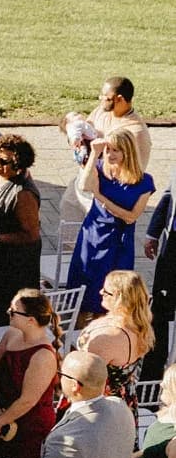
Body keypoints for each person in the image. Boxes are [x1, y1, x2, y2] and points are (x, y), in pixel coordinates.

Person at [67, 131, 155, 322]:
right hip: (92, 236)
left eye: (116, 150)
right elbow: (83, 185)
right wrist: (94, 153)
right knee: (82, 292)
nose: (111, 154)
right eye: (108, 150)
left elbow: (131, 217)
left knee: (112, 295)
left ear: (128, 152)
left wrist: (100, 197)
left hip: (119, 241)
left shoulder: (144, 181)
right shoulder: (99, 167)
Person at [0, 290, 61, 458]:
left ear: (30, 320)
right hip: (1, 411)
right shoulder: (11, 333)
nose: (8, 312)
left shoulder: (43, 355)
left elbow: (28, 400)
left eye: (13, 311)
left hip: (28, 425)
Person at [0, 134, 44, 329]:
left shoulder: (23, 193)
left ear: (19, 164)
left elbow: (32, 235)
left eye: (4, 161)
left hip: (14, 266)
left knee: (2, 313)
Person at [76, 268, 156, 418]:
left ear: (120, 298)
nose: (100, 292)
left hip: (101, 410)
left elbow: (85, 377)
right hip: (125, 403)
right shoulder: (137, 325)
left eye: (106, 291)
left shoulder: (110, 337)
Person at [87, 75, 152, 172]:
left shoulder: (136, 131)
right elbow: (84, 128)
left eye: (106, 97)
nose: (101, 98)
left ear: (120, 99)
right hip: (92, 172)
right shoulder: (102, 111)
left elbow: (132, 172)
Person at [146, 188, 176, 383]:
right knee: (160, 314)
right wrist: (153, 234)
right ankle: (151, 382)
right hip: (172, 248)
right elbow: (168, 196)